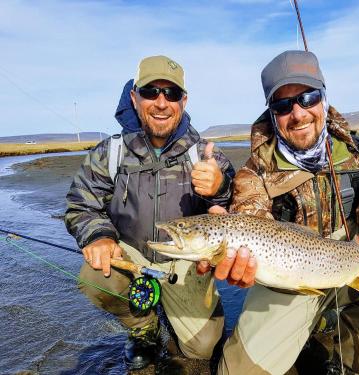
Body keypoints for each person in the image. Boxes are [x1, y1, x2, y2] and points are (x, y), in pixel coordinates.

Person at [214, 50, 359, 375]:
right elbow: (251, 221)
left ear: (323, 98)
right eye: (282, 105)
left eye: (307, 97)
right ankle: (311, 322)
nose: (298, 113)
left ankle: (347, 357)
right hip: (288, 280)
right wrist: (240, 257)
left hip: (354, 269)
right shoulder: (254, 174)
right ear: (272, 114)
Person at [64, 55, 235, 371]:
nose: (161, 102)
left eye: (170, 94)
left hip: (185, 263)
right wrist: (98, 235)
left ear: (183, 101)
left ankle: (179, 311)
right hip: (130, 255)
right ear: (134, 96)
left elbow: (235, 213)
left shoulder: (206, 154)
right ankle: (144, 328)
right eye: (150, 92)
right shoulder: (110, 152)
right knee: (93, 277)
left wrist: (221, 186)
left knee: (204, 347)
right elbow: (81, 204)